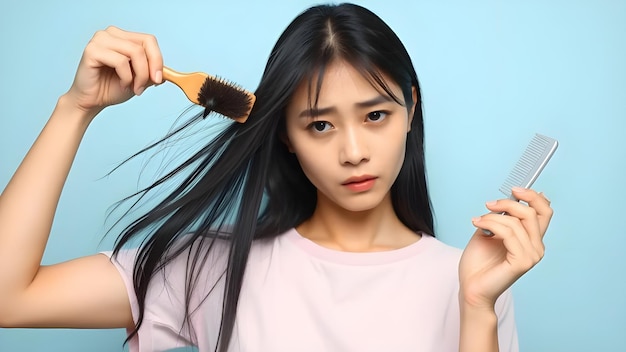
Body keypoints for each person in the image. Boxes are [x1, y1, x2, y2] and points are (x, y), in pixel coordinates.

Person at [0, 3, 552, 352]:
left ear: (412, 108)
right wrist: (76, 107)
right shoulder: (211, 268)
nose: (354, 152)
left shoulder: (472, 282)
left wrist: (477, 307)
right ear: (286, 135)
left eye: (375, 115)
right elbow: (9, 299)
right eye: (319, 125)